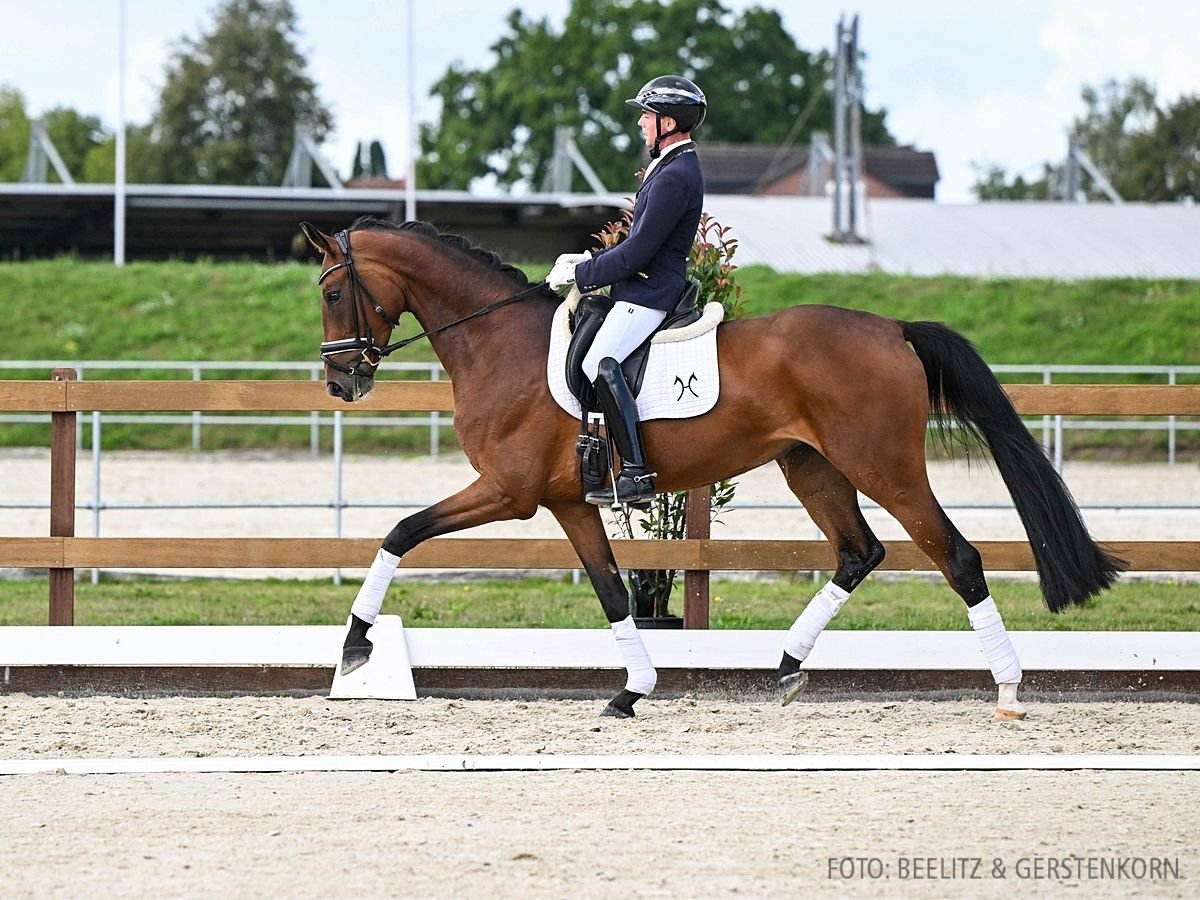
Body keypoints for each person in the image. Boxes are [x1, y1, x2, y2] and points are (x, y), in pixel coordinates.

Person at [547, 74, 707, 508]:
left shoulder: (676, 174)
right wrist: (588, 263)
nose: (640, 123)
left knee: (602, 360)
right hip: (638, 288)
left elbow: (639, 252)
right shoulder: (671, 165)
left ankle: (636, 473)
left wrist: (583, 273)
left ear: (668, 123)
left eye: (647, 115)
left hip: (649, 293)